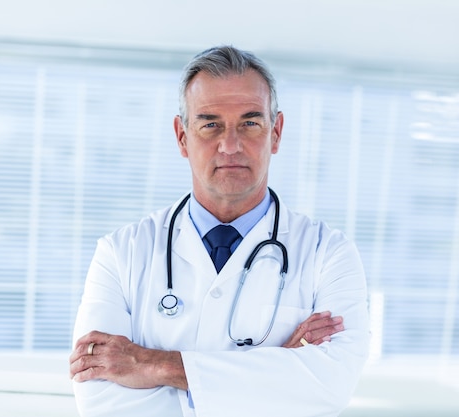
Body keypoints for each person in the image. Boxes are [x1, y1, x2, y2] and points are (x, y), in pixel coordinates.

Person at [69, 45, 370, 417]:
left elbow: (330, 386)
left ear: (275, 133)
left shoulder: (329, 253)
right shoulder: (120, 252)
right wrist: (276, 371)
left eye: (250, 123)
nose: (230, 145)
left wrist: (154, 365)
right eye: (210, 124)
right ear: (182, 136)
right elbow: (102, 401)